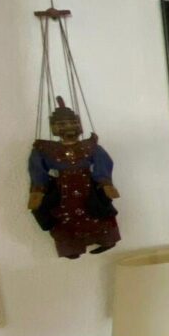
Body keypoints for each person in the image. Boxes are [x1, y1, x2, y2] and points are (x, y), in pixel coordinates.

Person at [28, 98, 121, 258]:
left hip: (88, 188)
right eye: (62, 124)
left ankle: (107, 240)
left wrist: (105, 181)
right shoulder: (45, 149)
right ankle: (72, 249)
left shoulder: (90, 146)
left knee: (99, 212)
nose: (69, 127)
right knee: (64, 218)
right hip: (62, 190)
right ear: (54, 127)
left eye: (72, 123)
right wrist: (38, 189)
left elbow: (103, 160)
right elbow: (37, 168)